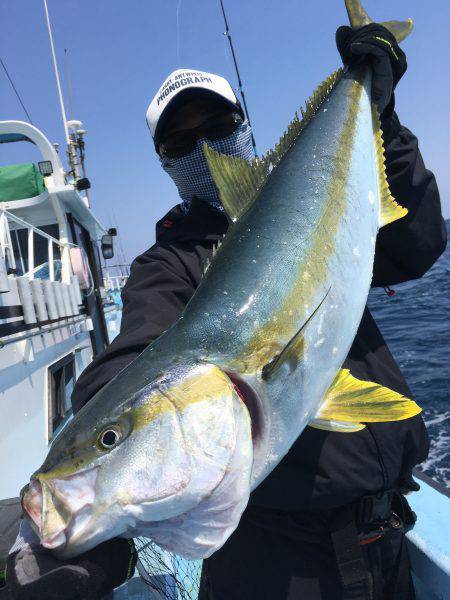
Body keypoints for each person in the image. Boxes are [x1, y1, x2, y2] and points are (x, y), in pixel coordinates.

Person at [6, 24, 446, 600]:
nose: (205, 149)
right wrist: (96, 469)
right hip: (276, 563)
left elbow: (417, 245)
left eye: (218, 127)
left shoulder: (315, 194)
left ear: (243, 124)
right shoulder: (167, 265)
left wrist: (381, 118)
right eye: (181, 144)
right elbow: (135, 353)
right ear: (163, 161)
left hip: (387, 535)